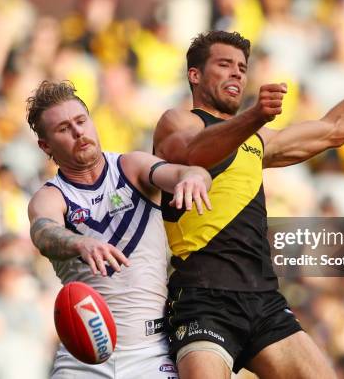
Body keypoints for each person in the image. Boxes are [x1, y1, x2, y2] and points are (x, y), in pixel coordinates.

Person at [153, 15, 344, 378]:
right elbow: (195, 153)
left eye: (242, 68)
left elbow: (334, 129)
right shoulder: (177, 121)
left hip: (263, 300)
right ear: (194, 75)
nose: (237, 74)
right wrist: (255, 116)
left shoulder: (257, 141)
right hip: (202, 298)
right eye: (224, 65)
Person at [26, 80, 212, 379]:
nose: (78, 132)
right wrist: (80, 244)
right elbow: (44, 233)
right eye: (63, 128)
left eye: (81, 121)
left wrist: (193, 177)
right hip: (83, 360)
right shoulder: (50, 197)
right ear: (46, 145)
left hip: (151, 352)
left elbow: (184, 172)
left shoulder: (131, 168)